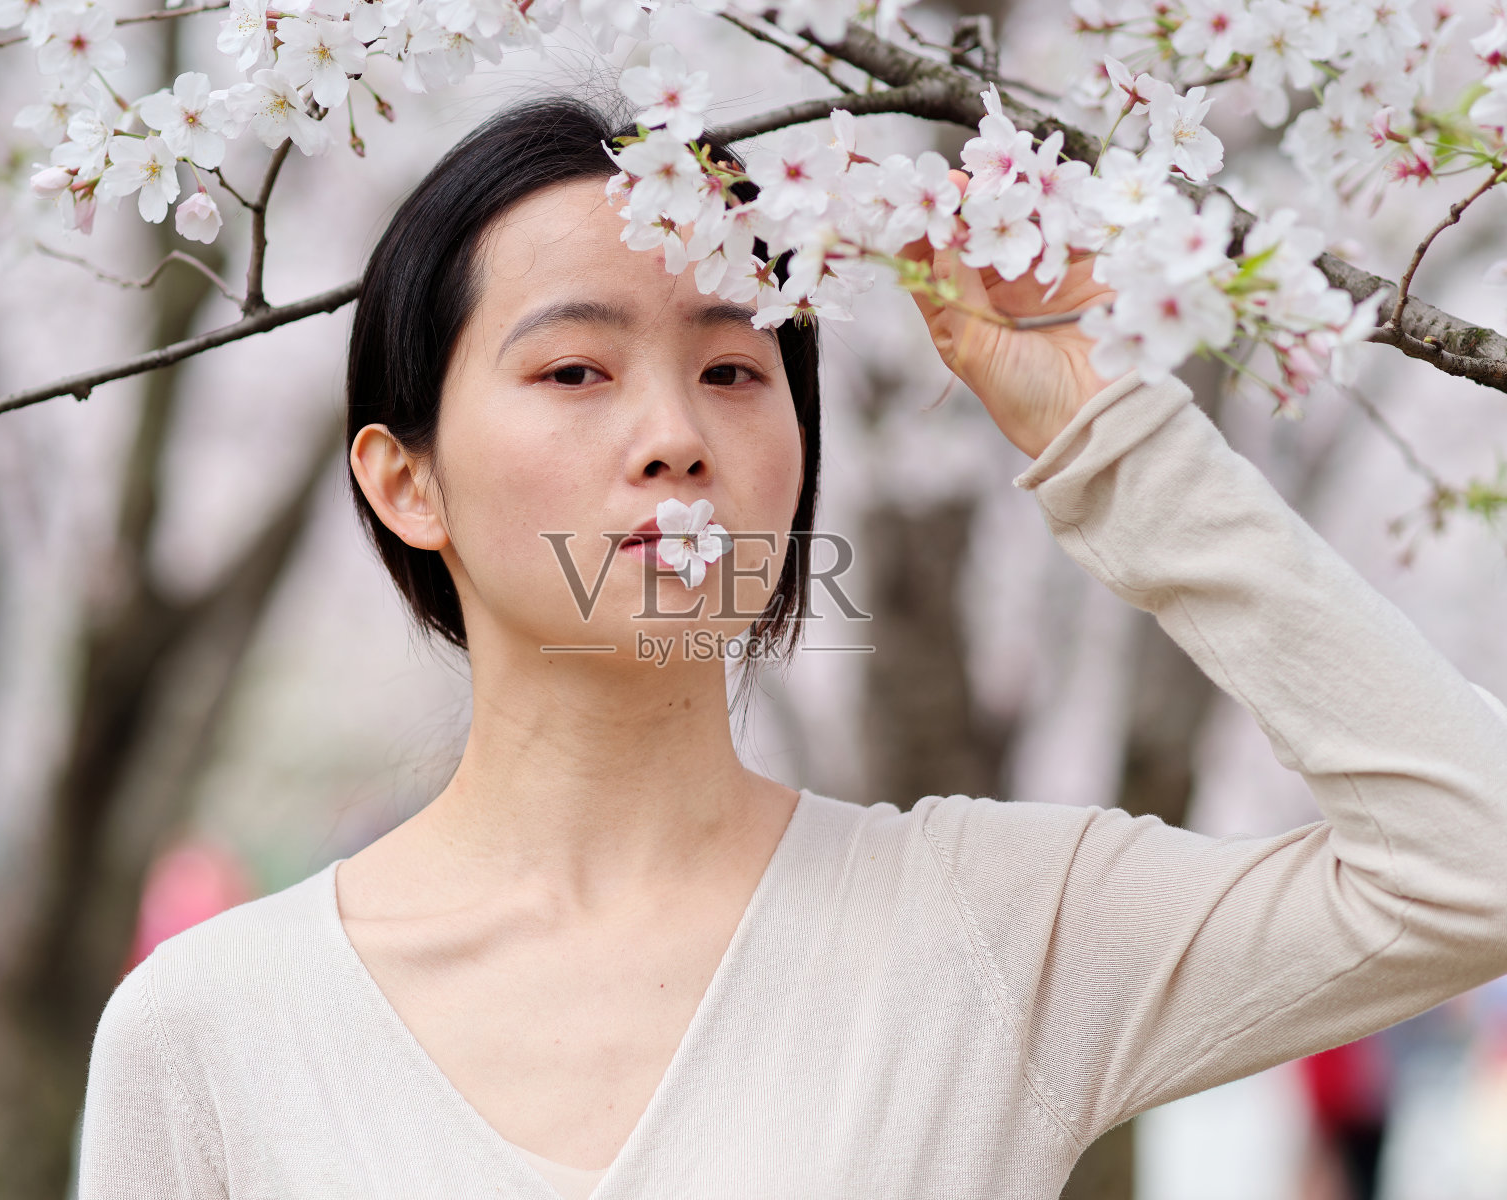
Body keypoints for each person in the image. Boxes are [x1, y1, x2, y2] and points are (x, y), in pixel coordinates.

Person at [74, 95, 1507, 1200]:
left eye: (733, 370)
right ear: (406, 480)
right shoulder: (212, 1027)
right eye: (575, 370)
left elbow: (1475, 862)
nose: (675, 439)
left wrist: (1105, 439)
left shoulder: (992, 929)